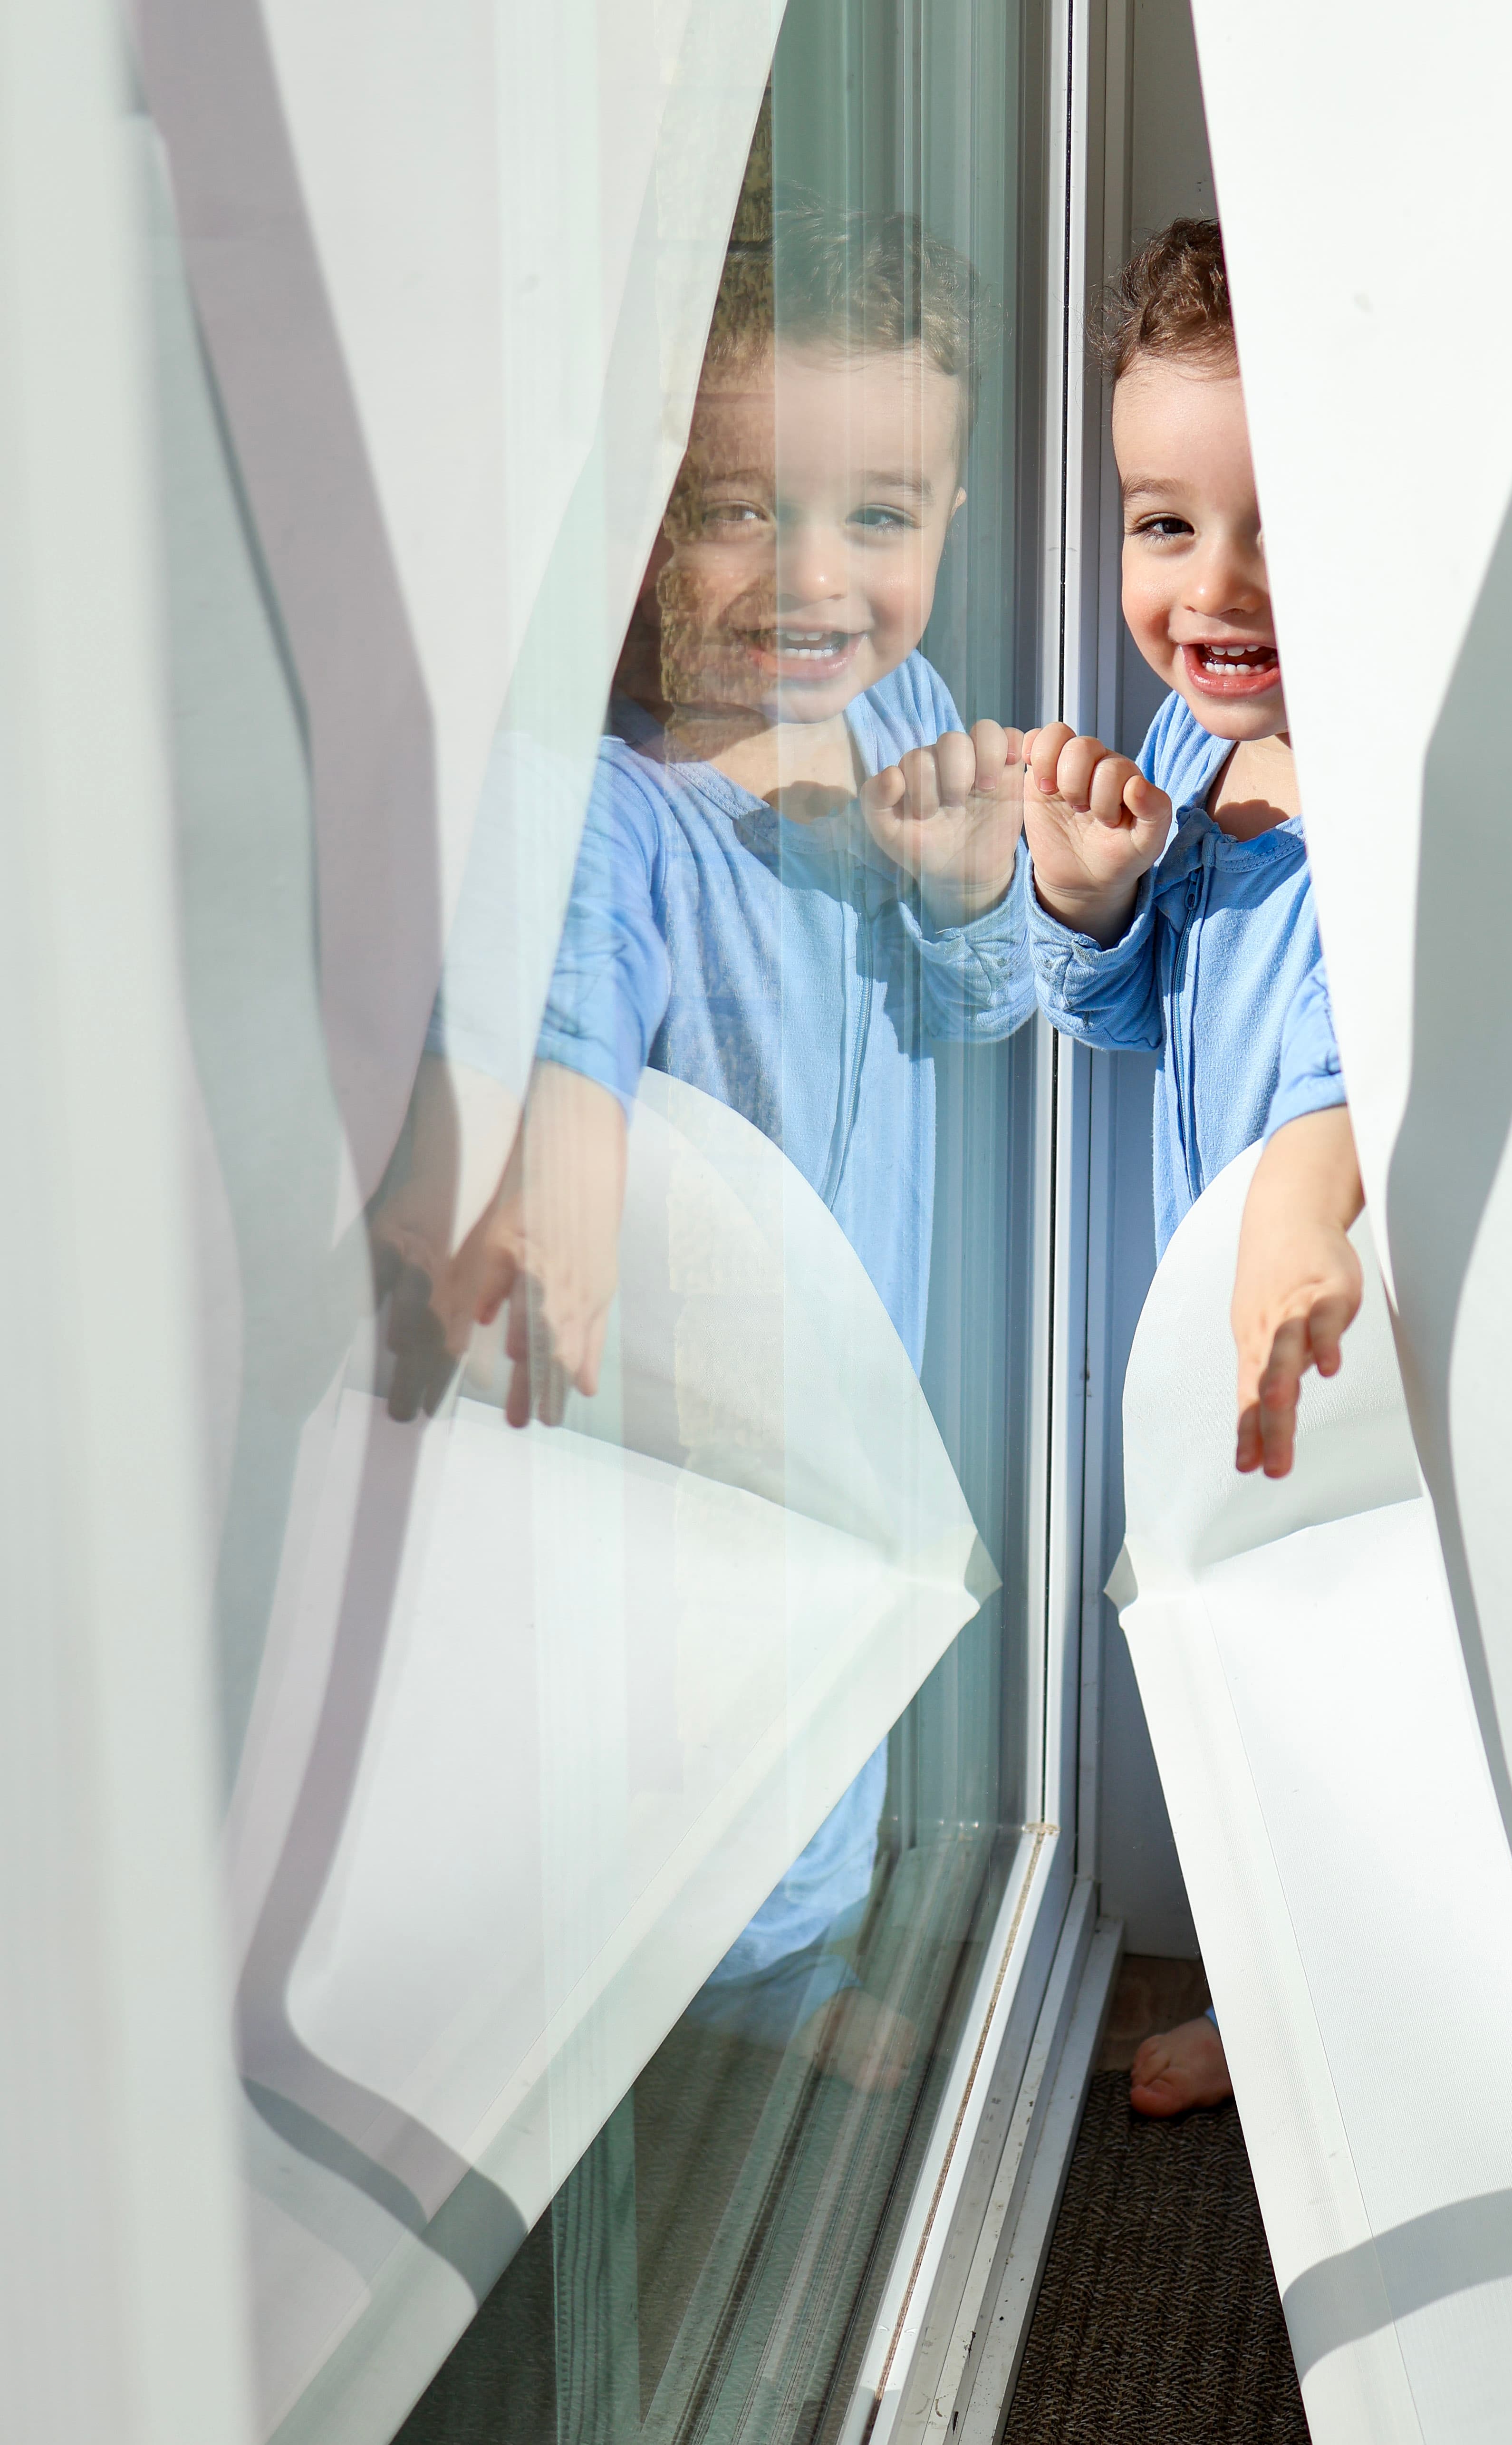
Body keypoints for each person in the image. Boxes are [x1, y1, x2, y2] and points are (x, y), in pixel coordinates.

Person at [403, 193, 1034, 2090]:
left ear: (949, 516)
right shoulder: (616, 803)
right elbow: (566, 994)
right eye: (739, 506)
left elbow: (983, 1006)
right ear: (639, 516)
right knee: (673, 1709)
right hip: (679, 1391)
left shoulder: (903, 713)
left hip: (850, 1371)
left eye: (882, 516)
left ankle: (778, 1980)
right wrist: (564, 1162)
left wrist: (973, 877)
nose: (811, 580)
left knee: (823, 1688)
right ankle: (679, 2012)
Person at [1020, 217, 1363, 2117]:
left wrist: (1301, 1225)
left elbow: (1357, 1056)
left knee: (1357, 1694)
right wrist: (1087, 888)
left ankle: (1339, 2016)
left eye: (1271, 524)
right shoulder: (1195, 733)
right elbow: (1126, 1016)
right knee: (1246, 1685)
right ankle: (1280, 1989)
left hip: (1328, 1329)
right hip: (1223, 1337)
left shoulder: (1363, 789)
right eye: (1165, 523)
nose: (1213, 585)